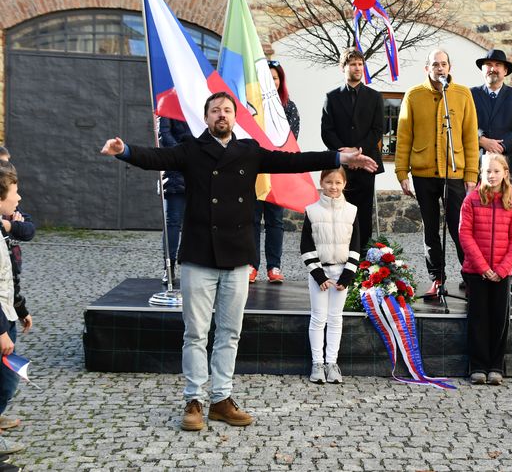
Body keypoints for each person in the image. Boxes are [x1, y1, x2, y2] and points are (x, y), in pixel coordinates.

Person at [100, 91, 377, 431]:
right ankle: (194, 400)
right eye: (215, 110)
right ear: (206, 117)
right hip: (199, 255)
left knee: (230, 333)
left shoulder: (249, 151)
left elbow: (292, 161)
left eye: (227, 110)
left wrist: (338, 157)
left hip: (236, 256)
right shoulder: (191, 150)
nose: (222, 115)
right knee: (196, 333)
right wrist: (125, 151)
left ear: (235, 117)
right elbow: (156, 157)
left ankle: (221, 399)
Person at [395, 49, 480, 294]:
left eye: (443, 64)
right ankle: (437, 278)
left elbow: (470, 136)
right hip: (423, 174)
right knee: (431, 229)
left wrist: (471, 174)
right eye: (435, 64)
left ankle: (470, 276)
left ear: (449, 67)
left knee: (459, 227)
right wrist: (402, 172)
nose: (439, 68)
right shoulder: (413, 94)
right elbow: (404, 136)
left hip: (453, 173)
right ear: (427, 68)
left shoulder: (462, 94)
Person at [459, 153, 512, 385]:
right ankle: (477, 366)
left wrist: (503, 268)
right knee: (478, 318)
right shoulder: (471, 200)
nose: (492, 175)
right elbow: (465, 235)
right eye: (487, 171)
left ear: (505, 173)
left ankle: (496, 366)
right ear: (481, 173)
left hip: (501, 273)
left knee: (499, 319)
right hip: (477, 271)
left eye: (496, 171)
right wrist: (483, 267)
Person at [300, 167, 360, 384]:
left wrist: (347, 276)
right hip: (320, 273)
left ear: (344, 184)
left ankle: (331, 363)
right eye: (329, 182)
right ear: (321, 183)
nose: (333, 187)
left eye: (337, 182)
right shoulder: (311, 211)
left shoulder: (352, 211)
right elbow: (306, 245)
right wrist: (318, 275)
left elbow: (356, 244)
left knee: (335, 318)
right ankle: (317, 363)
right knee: (318, 318)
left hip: (341, 272)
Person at [321, 48, 384, 250]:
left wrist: (357, 151)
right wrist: (346, 154)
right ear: (343, 67)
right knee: (339, 211)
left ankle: (363, 256)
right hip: (340, 166)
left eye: (360, 64)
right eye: (353, 64)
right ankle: (338, 253)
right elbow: (327, 131)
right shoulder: (332, 97)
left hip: (366, 164)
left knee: (363, 214)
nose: (357, 68)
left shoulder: (375, 97)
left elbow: (377, 130)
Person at [250, 60, 301, 284]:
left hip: (277, 171)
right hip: (254, 171)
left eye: (275, 78)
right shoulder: (251, 105)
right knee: (252, 220)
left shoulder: (288, 106)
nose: (272, 82)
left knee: (275, 221)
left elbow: (291, 138)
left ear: (281, 81)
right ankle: (251, 266)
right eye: (268, 78)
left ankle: (274, 267)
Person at [470, 49, 512, 198]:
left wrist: (502, 146)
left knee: (508, 209)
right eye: (489, 65)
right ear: (482, 69)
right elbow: (464, 123)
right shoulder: (470, 95)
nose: (493, 68)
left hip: (511, 165)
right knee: (480, 210)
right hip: (478, 165)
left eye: (498, 65)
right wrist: (481, 140)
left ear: (505, 71)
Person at [0, 162, 25, 458]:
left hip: (8, 315)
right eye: (14, 192)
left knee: (9, 379)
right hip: (1, 324)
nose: (18, 198)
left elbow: (9, 279)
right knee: (6, 379)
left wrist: (20, 309)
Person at [158, 117, 192, 285]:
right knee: (173, 222)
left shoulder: (202, 104)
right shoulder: (167, 105)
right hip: (174, 171)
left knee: (195, 224)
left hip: (198, 171)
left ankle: (192, 267)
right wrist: (184, 153)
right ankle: (169, 266)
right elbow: (164, 134)